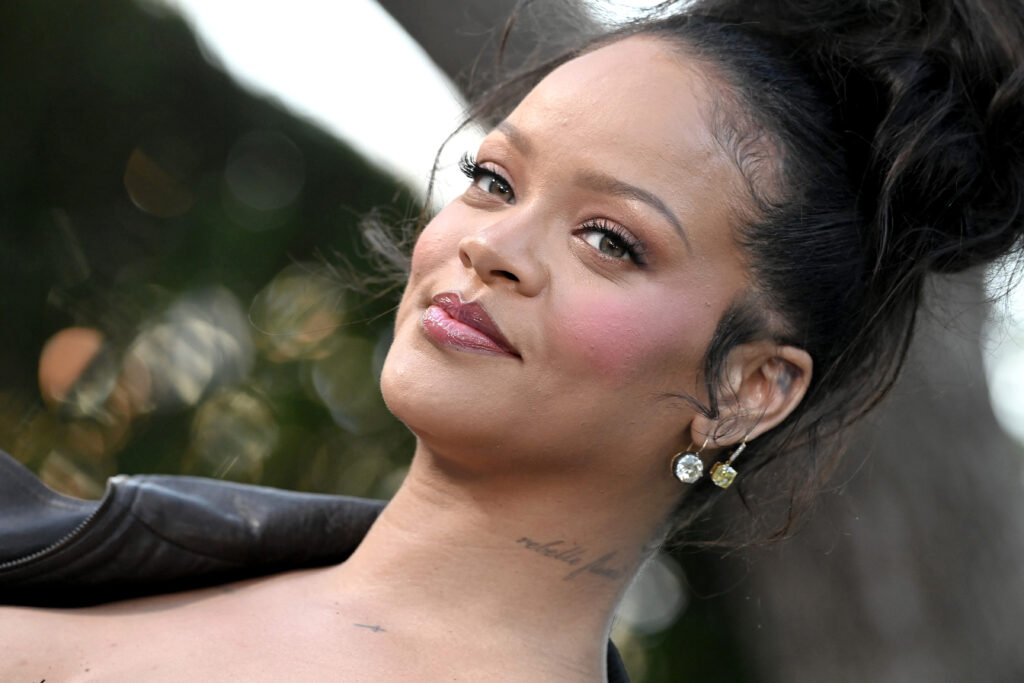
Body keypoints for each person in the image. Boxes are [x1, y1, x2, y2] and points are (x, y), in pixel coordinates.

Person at [2, 0, 1023, 680]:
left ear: (748, 386)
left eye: (609, 239)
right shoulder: (91, 545)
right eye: (493, 180)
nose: (491, 246)